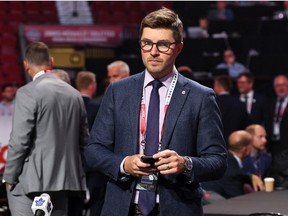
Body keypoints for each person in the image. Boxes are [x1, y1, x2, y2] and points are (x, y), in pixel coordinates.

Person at [85, 7, 227, 216]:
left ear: (178, 48)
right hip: (123, 207)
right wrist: (125, 164)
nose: (153, 51)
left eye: (163, 44)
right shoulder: (118, 91)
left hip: (177, 208)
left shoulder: (200, 96)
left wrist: (185, 164)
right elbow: (94, 150)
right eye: (147, 43)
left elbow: (218, 160)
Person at [3, 42, 89, 216]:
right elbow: (84, 141)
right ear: (51, 61)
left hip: (29, 183)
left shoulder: (27, 92)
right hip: (64, 181)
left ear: (26, 64)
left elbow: (20, 141)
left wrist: (9, 177)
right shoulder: (74, 94)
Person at [75, 71, 107, 216]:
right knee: (96, 202)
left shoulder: (69, 106)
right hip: (93, 164)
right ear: (92, 85)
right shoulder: (97, 107)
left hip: (73, 164)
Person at [202, 130, 264, 199]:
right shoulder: (233, 172)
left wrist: (250, 177)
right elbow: (238, 203)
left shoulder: (224, 158)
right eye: (250, 145)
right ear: (245, 150)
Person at [265, 74, 288, 189]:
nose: (281, 88)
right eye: (278, 85)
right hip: (273, 145)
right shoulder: (270, 103)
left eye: (284, 85)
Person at [213, 75, 248, 142]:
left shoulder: (213, 102)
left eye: (214, 85)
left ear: (219, 86)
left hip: (217, 142)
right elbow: (245, 124)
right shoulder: (240, 103)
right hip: (237, 141)